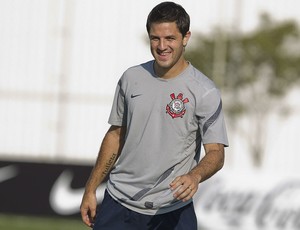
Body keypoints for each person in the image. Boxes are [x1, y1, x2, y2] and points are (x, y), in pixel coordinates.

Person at [80, 1, 228, 229]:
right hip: (119, 203)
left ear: (185, 37)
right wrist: (91, 188)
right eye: (155, 38)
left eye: (170, 38)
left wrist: (194, 176)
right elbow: (115, 135)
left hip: (171, 208)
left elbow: (216, 153)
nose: (162, 46)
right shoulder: (131, 78)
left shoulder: (204, 91)